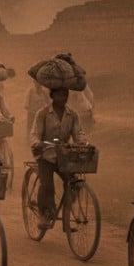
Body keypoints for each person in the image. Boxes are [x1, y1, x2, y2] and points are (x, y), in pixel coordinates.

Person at [28, 87, 88, 229]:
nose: (63, 97)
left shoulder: (72, 115)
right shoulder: (42, 113)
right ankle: (44, 214)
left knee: (74, 184)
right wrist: (37, 143)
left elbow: (79, 133)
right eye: (60, 94)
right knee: (47, 185)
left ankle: (66, 216)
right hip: (45, 155)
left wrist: (82, 143)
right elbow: (34, 134)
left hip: (64, 156)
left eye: (65, 94)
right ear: (52, 95)